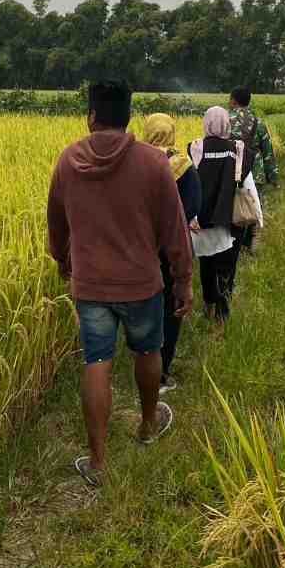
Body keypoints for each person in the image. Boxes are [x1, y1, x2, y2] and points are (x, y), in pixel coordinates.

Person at [47, 82, 194, 486]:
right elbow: (174, 230)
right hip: (142, 284)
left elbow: (56, 223)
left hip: (91, 284)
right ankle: (148, 425)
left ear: (91, 116)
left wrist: (63, 260)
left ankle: (97, 461)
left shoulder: (67, 160)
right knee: (147, 350)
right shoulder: (152, 163)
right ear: (128, 117)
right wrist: (182, 280)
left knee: (96, 360)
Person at [142, 113, 201, 395]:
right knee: (172, 306)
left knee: (143, 304)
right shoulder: (185, 167)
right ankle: (162, 372)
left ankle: (141, 364)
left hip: (141, 249)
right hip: (174, 249)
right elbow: (191, 207)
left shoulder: (136, 165)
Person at [188, 106, 253, 323]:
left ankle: (208, 305)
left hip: (203, 217)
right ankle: (223, 310)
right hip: (231, 217)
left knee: (206, 262)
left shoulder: (195, 148)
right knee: (227, 265)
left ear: (206, 123)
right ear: (227, 124)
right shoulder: (239, 149)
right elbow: (247, 184)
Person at [227, 86, 278, 253]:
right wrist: (273, 176)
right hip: (254, 171)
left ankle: (232, 242)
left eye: (230, 99)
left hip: (230, 170)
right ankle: (252, 242)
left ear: (234, 100)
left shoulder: (225, 120)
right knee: (254, 205)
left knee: (232, 205)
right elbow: (268, 152)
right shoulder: (259, 122)